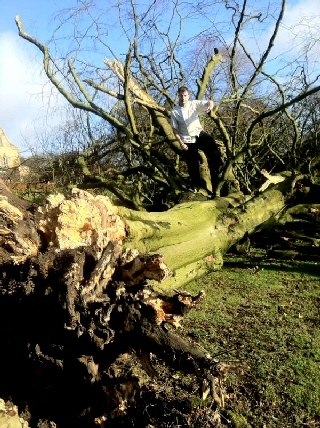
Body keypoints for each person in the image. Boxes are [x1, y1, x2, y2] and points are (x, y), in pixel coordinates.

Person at [170, 86, 222, 193]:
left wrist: (210, 107)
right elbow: (175, 130)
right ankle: (195, 185)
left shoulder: (193, 104)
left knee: (210, 142)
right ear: (178, 96)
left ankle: (219, 166)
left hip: (198, 133)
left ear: (188, 96)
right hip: (187, 140)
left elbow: (209, 102)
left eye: (185, 96)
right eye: (181, 96)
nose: (183, 98)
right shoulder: (175, 111)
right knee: (192, 164)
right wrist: (181, 143)